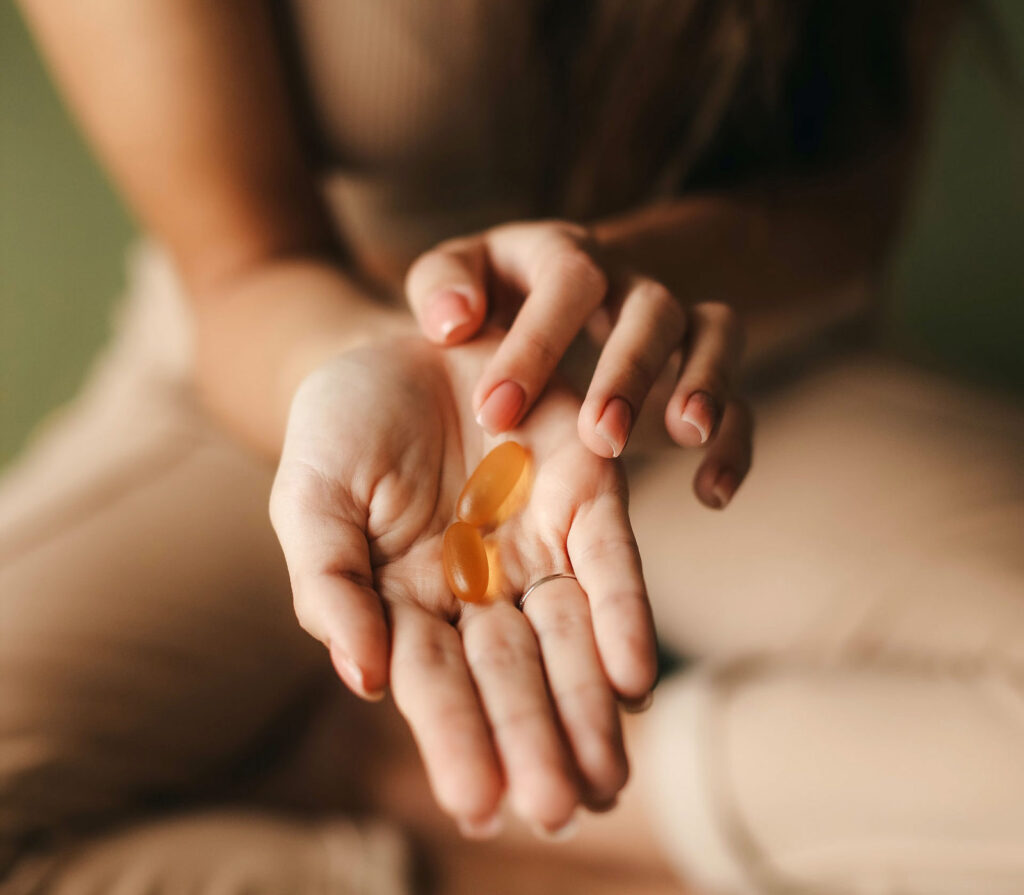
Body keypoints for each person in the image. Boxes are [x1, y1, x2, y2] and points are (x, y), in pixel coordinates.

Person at [2, 2, 1023, 893]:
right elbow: (241, 266)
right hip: (292, 369)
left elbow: (853, 202)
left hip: (708, 383)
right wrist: (379, 354)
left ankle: (444, 796)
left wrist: (614, 281)